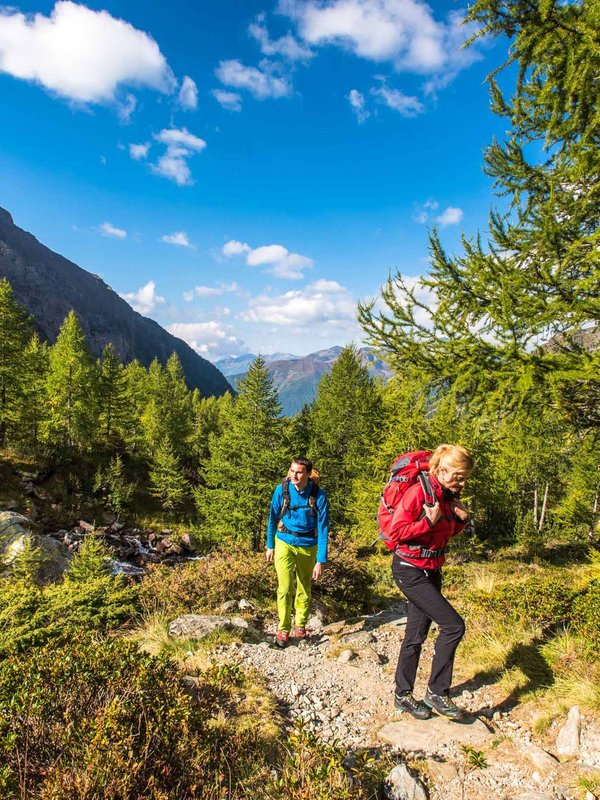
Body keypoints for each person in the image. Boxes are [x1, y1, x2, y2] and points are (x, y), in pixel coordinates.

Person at [390, 444, 474, 721]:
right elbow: (397, 532)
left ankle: (402, 696)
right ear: (440, 470)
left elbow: (443, 533)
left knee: (415, 635)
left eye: (464, 477)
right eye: (458, 476)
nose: (461, 482)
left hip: (431, 568)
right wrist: (427, 520)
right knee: (453, 626)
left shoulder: (447, 496)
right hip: (409, 569)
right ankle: (437, 693)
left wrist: (460, 521)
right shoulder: (419, 493)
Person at [266, 457, 329, 648]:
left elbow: (324, 528)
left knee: (304, 587)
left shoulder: (318, 496)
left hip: (308, 545)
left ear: (308, 474)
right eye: (292, 471)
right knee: (284, 588)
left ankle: (300, 625)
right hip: (284, 541)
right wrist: (270, 545)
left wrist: (321, 560)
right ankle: (283, 629)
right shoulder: (282, 490)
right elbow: (272, 518)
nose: (294, 475)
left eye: (299, 472)